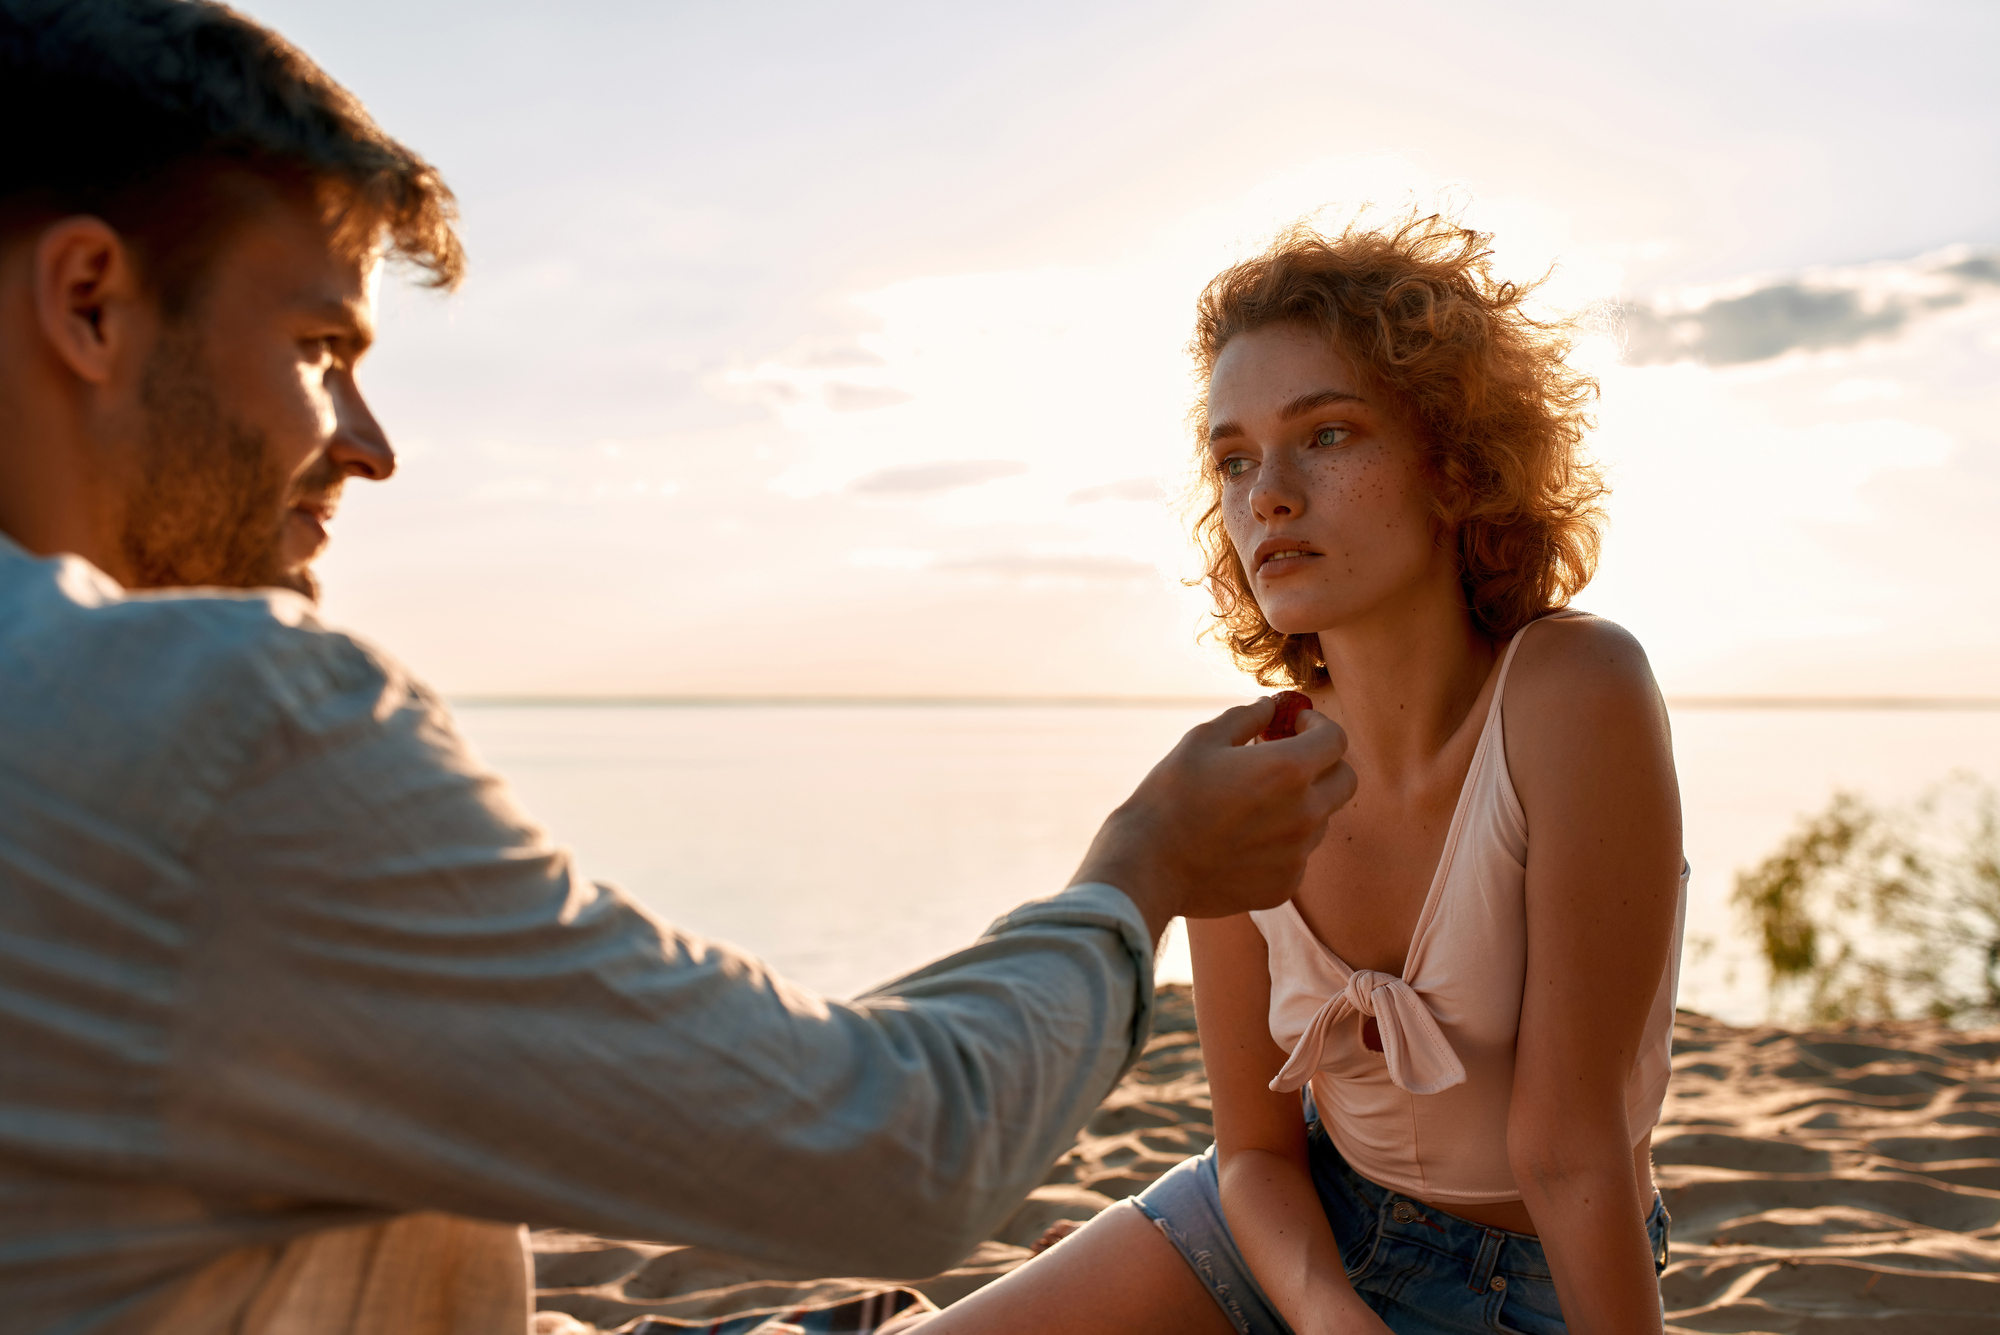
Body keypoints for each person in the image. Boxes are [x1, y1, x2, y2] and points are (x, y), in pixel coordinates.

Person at [0, 3, 1360, 1333]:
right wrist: (1140, 874)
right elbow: (894, 1147)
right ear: (89, 303)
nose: (369, 442)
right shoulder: (215, 718)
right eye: (318, 350)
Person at [890, 219, 1687, 1335]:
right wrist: (1323, 1315)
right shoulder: (1250, 770)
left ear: (1453, 462)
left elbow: (1567, 1148)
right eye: (1230, 458)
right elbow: (1253, 1154)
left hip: (1536, 1278)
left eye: (1325, 434)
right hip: (1283, 1234)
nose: (1265, 493)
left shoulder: (1571, 689)